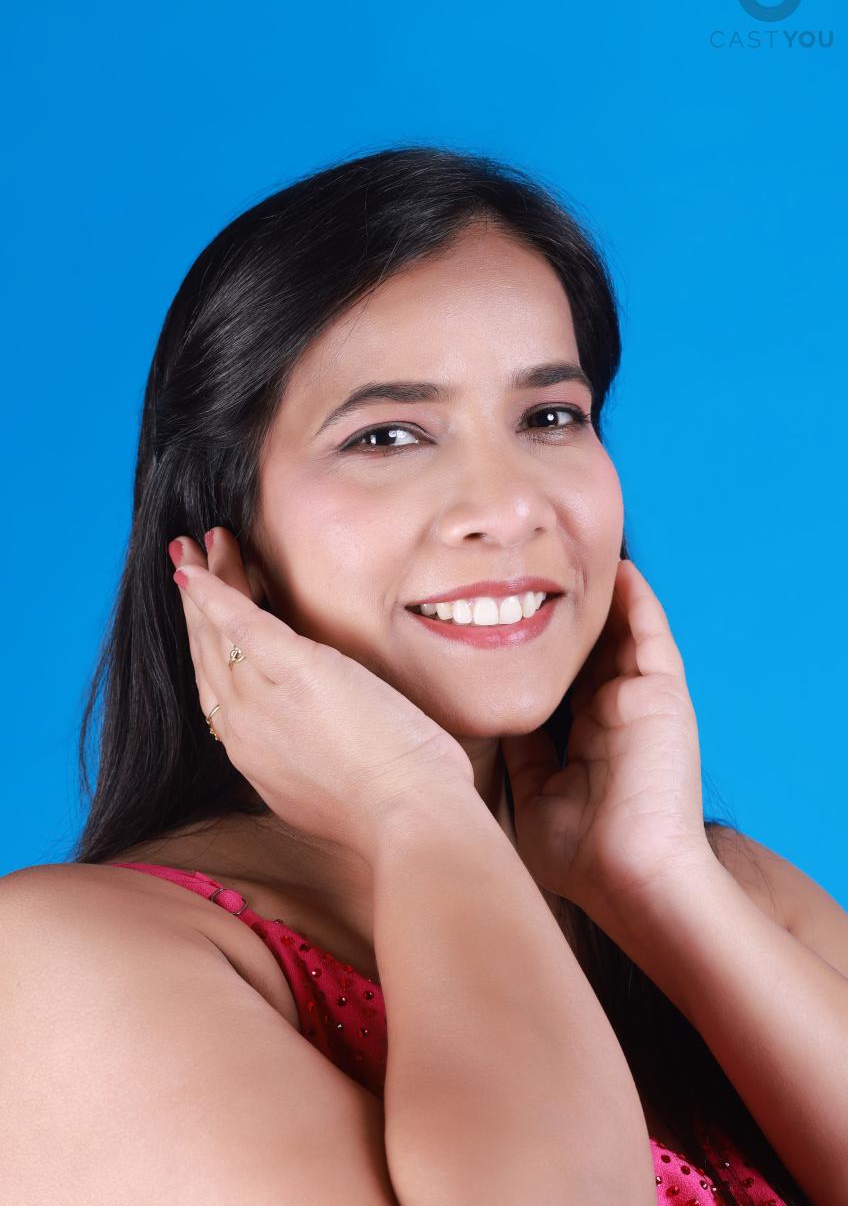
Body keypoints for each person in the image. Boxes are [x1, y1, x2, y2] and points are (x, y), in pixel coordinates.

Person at [2, 146, 844, 1204]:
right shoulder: (67, 965)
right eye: (388, 435)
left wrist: (659, 882)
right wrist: (416, 808)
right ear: (228, 527)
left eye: (550, 417)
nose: (508, 506)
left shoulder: (726, 894)